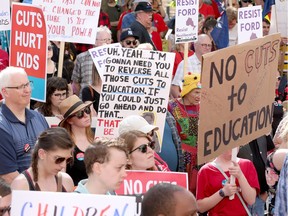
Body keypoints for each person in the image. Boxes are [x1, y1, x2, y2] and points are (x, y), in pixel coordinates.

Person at [0, 67, 49, 184]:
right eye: (20, 87)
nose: (27, 90)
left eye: (28, 84)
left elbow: (54, 152)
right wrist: (39, 190)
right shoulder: (2, 126)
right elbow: (8, 175)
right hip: (19, 196)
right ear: (5, 91)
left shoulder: (39, 118)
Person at [197, 149, 260, 215]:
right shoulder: (205, 170)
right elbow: (200, 207)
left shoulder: (247, 164)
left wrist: (240, 176)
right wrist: (223, 192)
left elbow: (251, 200)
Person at [11, 128, 74, 192]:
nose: (63, 165)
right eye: (59, 159)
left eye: (68, 160)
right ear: (42, 154)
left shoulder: (66, 181)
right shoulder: (21, 184)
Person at [168, 74, 201, 194]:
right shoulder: (171, 106)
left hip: (196, 159)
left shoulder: (200, 108)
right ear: (187, 91)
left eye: (201, 92)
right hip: (179, 156)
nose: (199, 96)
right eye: (196, 92)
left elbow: (193, 135)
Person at [59, 95, 94, 186]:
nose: (86, 115)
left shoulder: (96, 136)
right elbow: (61, 176)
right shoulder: (65, 144)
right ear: (70, 120)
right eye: (80, 114)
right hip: (76, 195)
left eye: (87, 110)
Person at [72, 26, 112, 97]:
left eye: (109, 40)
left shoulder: (115, 58)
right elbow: (76, 82)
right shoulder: (82, 58)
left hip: (107, 100)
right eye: (104, 40)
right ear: (94, 41)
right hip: (86, 100)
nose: (107, 43)